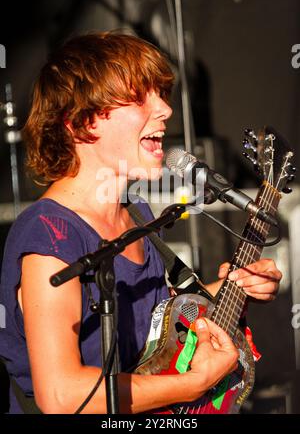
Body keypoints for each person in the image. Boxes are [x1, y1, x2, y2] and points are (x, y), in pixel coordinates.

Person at [0, 31, 282, 414]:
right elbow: (62, 396)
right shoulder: (51, 236)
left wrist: (235, 287)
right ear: (80, 122)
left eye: (162, 95)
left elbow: (152, 332)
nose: (165, 110)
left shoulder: (135, 211)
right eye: (140, 97)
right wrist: (191, 384)